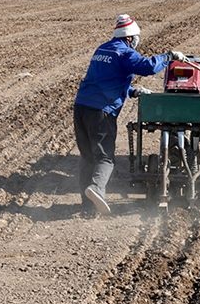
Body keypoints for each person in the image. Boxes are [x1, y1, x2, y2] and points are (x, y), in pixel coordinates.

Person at [74, 14, 186, 215]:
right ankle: (97, 189)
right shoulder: (123, 52)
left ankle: (86, 204)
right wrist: (169, 56)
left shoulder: (103, 49)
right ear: (130, 38)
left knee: (87, 156)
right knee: (105, 158)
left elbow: (106, 80)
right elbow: (148, 67)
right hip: (101, 111)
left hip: (81, 106)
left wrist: (133, 91)